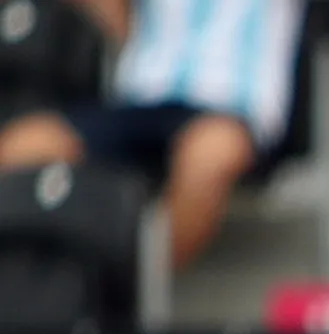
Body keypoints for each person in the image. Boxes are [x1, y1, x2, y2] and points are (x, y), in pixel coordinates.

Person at [0, 0, 300, 267]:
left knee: (209, 156)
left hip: (231, 106)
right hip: (139, 103)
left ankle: (139, 288)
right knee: (23, 146)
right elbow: (115, 21)